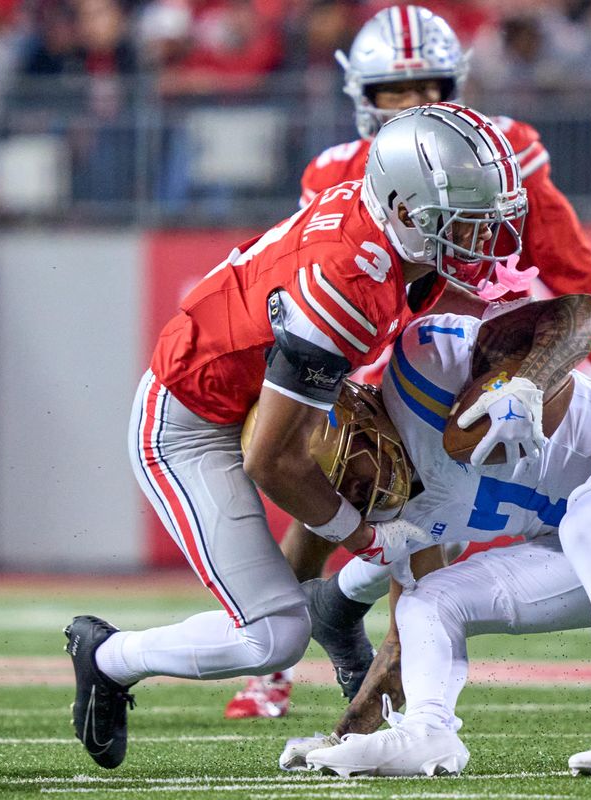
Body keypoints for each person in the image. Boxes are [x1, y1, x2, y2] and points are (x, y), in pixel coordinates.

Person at [227, 3, 591, 721]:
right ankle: (276, 656)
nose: (415, 104)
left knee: (543, 498)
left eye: (430, 87)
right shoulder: (333, 170)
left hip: (487, 344)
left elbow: (571, 266)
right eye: (397, 90)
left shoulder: (504, 145)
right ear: (364, 97)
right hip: (393, 347)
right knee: (347, 477)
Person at [62, 101, 529, 769]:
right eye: (467, 221)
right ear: (404, 211)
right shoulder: (347, 283)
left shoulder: (386, 236)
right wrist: (364, 536)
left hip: (261, 395)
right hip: (190, 423)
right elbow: (271, 459)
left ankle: (392, 677)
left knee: (415, 491)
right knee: (273, 636)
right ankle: (107, 657)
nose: (486, 237)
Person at [276, 298, 591, 776]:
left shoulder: (423, 364)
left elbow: (583, 313)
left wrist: (527, 385)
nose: (358, 490)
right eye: (345, 491)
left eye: (351, 470)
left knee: (588, 522)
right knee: (426, 603)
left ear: (361, 413)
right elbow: (399, 649)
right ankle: (427, 733)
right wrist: (344, 738)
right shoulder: (404, 516)